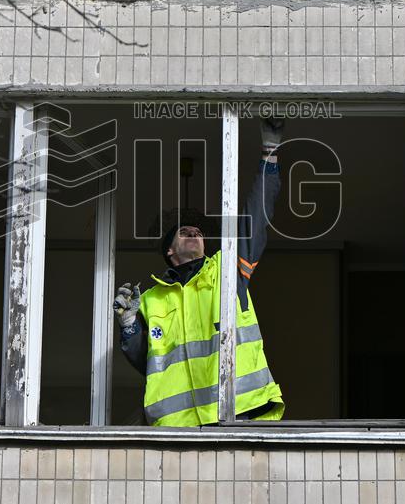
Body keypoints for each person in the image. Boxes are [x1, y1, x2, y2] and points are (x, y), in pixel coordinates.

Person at [113, 118, 287, 426]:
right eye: (184, 231)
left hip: (239, 413)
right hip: (178, 428)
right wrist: (129, 327)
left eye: (198, 231)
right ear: (169, 250)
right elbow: (149, 362)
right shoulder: (152, 300)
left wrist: (270, 153)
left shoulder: (227, 269)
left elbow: (255, 218)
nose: (194, 232)